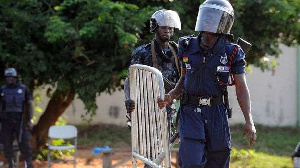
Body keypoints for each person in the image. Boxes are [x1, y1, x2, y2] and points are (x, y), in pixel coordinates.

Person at [157, 0, 257, 167]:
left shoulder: (232, 51)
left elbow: (241, 87)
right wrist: (172, 95)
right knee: (192, 162)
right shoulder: (186, 45)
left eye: (214, 17)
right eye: (207, 16)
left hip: (217, 112)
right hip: (190, 111)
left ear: (225, 22)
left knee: (219, 159)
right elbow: (184, 78)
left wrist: (249, 120)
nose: (209, 21)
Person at [124, 9, 181, 127]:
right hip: (146, 107)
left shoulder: (179, 51)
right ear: (155, 28)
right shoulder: (142, 52)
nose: (167, 31)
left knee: (166, 143)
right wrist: (128, 99)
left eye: (170, 28)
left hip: (169, 105)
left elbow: (184, 77)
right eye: (163, 27)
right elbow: (130, 79)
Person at [0, 68, 34, 168]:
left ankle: (29, 163)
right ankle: (10, 163)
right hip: (6, 121)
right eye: (7, 77)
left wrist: (30, 120)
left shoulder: (23, 89)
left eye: (11, 77)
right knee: (7, 145)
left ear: (15, 77)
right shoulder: (2, 89)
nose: (9, 79)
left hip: (20, 121)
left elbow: (30, 104)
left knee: (24, 143)